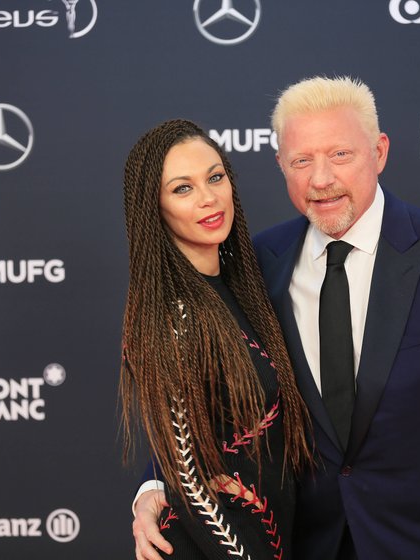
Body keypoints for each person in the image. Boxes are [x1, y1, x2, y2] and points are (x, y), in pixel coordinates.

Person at [132, 78, 420, 560]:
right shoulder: (259, 263)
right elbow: (203, 393)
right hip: (304, 545)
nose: (321, 179)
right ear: (281, 165)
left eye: (340, 156)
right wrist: (154, 485)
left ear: (380, 151)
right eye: (302, 161)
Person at [120, 119, 313, 559]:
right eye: (182, 188)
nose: (209, 198)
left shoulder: (237, 287)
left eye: (215, 177)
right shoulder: (177, 317)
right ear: (155, 207)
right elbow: (188, 477)